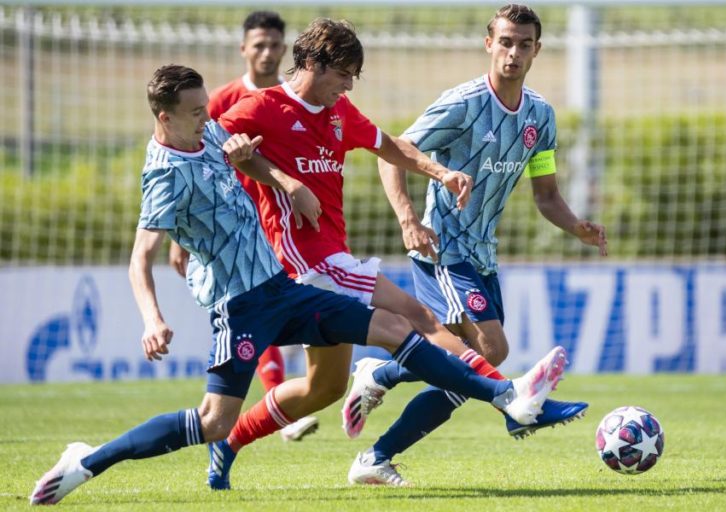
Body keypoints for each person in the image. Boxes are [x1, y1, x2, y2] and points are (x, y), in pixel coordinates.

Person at [29, 64, 566, 505]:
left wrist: (281, 178)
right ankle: (87, 461)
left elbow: (243, 156)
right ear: (164, 118)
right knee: (214, 421)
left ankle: (507, 396)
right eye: (195, 114)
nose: (207, 120)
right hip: (238, 307)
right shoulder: (166, 176)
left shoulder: (208, 132)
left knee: (393, 326)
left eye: (205, 110)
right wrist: (153, 319)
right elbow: (138, 259)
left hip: (282, 289)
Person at [205, 17, 583, 490]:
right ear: (315, 64)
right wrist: (275, 177)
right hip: (305, 260)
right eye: (343, 75)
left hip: (328, 258)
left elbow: (394, 148)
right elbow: (205, 146)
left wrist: (439, 172)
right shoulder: (263, 107)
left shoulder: (339, 113)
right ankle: (510, 396)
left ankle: (228, 442)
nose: (347, 87)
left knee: (324, 388)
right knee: (418, 317)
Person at [344, 4, 607, 485]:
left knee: (466, 366)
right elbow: (392, 153)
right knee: (491, 347)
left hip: (483, 253)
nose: (513, 52)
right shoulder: (462, 104)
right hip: (442, 250)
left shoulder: (540, 117)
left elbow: (546, 195)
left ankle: (377, 436)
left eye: (523, 44)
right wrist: (407, 220)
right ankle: (518, 407)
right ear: (489, 44)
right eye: (505, 42)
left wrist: (577, 227)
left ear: (537, 50)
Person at [166, 11, 318, 443]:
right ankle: (277, 400)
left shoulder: (298, 99)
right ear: (244, 48)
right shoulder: (224, 99)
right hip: (236, 229)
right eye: (259, 45)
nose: (268, 53)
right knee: (260, 304)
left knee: (292, 308)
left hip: (289, 221)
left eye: (275, 45)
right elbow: (187, 158)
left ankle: (292, 398)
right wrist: (182, 237)